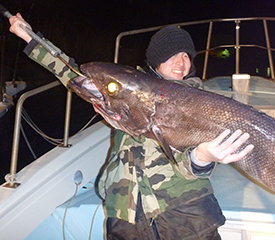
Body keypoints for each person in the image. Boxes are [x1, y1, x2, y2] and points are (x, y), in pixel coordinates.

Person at [9, 13, 254, 240]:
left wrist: (203, 157)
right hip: (124, 212)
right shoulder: (125, 89)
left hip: (183, 211)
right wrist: (31, 38)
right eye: (172, 54)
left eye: (187, 56)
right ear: (156, 60)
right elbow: (72, 74)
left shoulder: (200, 101)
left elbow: (191, 164)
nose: (181, 62)